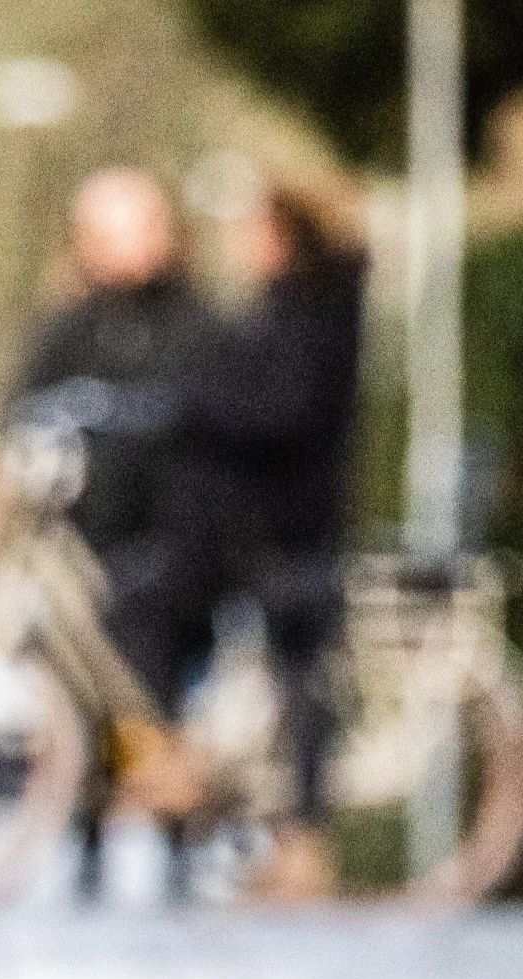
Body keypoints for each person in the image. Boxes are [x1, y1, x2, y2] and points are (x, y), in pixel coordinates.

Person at [10, 167, 218, 899]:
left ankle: (180, 840)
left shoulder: (196, 324)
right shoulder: (72, 325)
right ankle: (86, 842)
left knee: (166, 696)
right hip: (86, 541)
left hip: (170, 542)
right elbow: (21, 407)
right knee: (81, 696)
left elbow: (206, 416)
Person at [170, 180, 366, 899]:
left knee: (304, 686)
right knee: (284, 683)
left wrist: (203, 408)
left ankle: (304, 848)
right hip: (272, 521)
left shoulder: (312, 310)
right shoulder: (299, 305)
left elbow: (282, 409)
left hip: (293, 522)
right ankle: (281, 842)